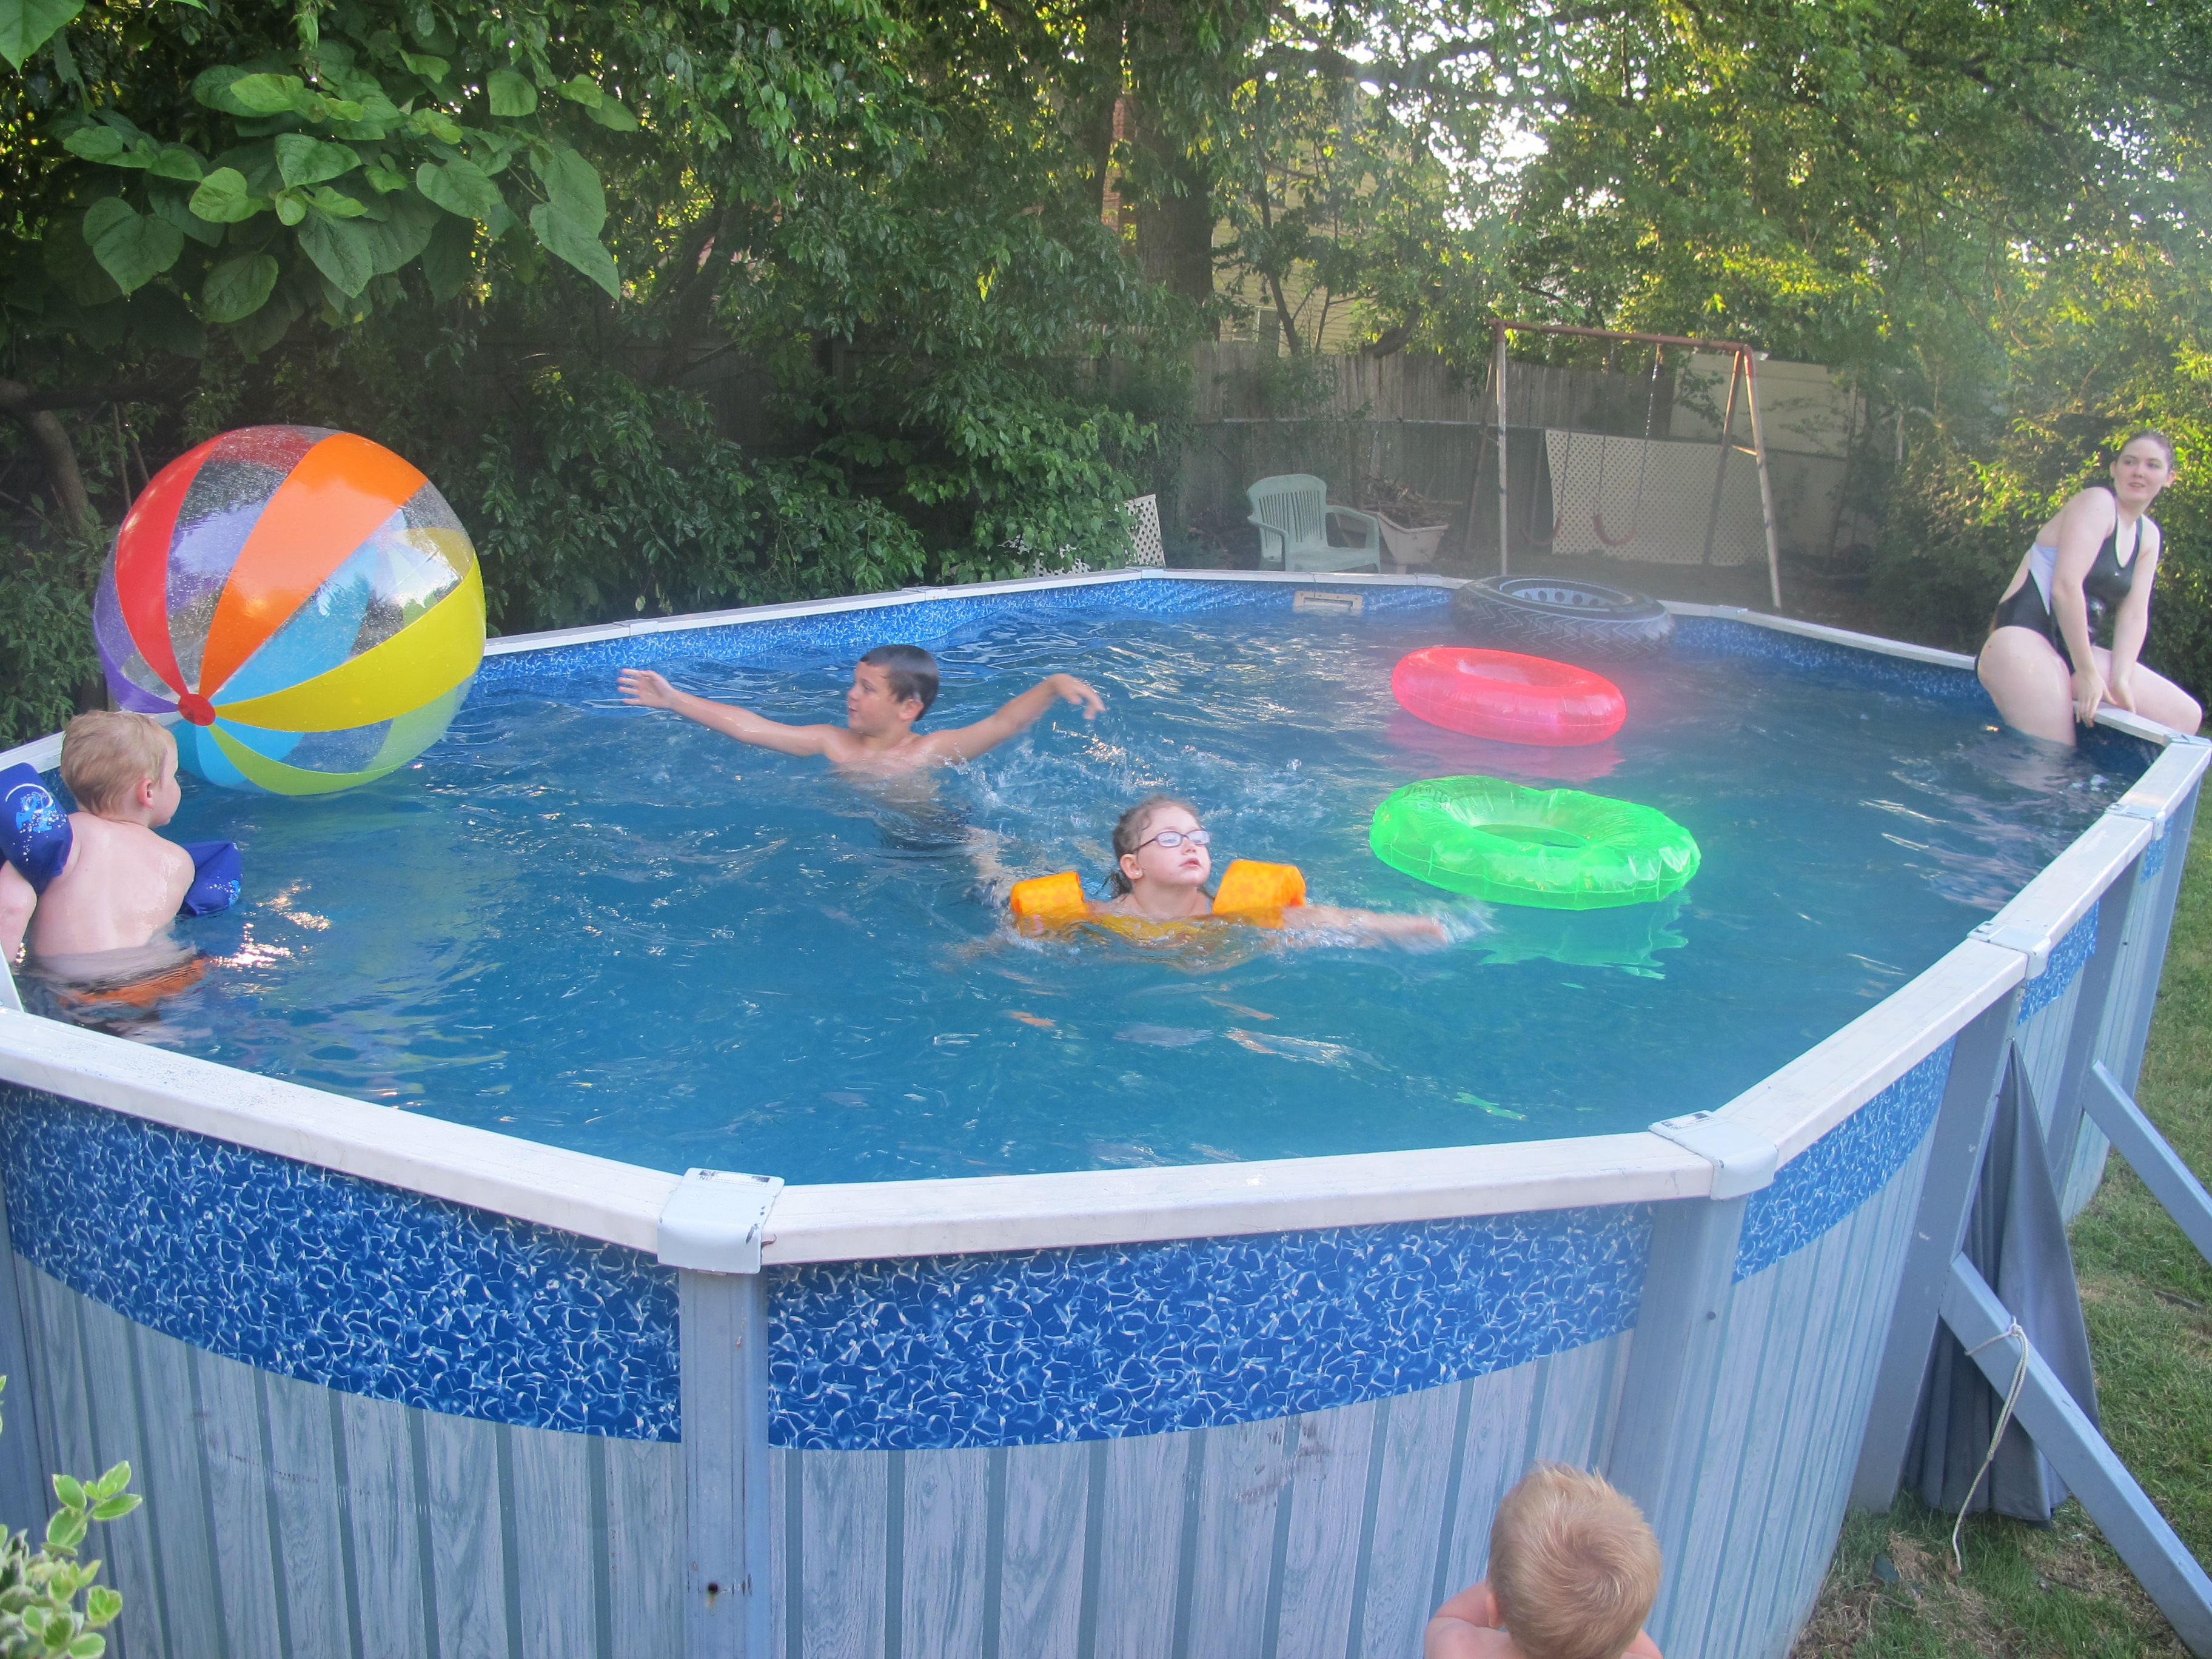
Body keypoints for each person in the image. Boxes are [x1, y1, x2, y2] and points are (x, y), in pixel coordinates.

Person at [1977, 431, 2202, 745]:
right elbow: (2065, 587)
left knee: (2183, 716)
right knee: (2052, 756)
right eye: (2130, 462)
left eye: (2152, 465)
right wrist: (2087, 673)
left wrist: (2120, 678)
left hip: (2074, 651)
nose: (2139, 471)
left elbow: (2134, 615)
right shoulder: (2097, 503)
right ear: (2114, 469)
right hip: (2021, 640)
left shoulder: (2148, 536)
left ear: (2169, 478)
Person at [615, 643, 1105, 776]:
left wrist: (1052, 685)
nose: (851, 695)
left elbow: (1002, 724)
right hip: (881, 847)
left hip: (935, 837)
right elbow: (750, 727)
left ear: (908, 708)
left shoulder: (928, 752)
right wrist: (674, 699)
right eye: (854, 683)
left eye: (867, 689)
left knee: (988, 872)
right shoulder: (833, 743)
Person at [1090, 794, 1449, 944]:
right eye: (1170, 839)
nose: (1191, 846)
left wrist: (1404, 926)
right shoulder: (1102, 918)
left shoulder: (1232, 915)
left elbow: (1330, 920)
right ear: (1133, 866)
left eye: (1198, 837)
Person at [0, 712, 197, 968]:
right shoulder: (178, 861)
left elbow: (11, 909)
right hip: (162, 976)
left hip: (74, 982)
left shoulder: (61, 838)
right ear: (148, 792)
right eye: (174, 777)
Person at [1427, 1463, 1663, 1659]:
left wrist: (1506, 1587)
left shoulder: (1460, 1650)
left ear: (1495, 1608)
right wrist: (1616, 1617)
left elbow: (1449, 1618)